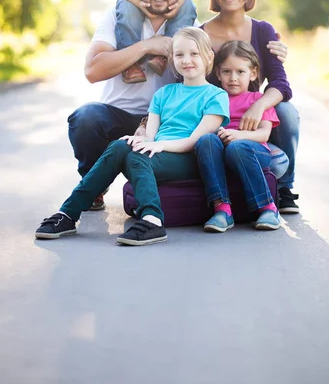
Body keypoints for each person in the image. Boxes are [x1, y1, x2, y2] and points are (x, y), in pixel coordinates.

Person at [36, 28, 230, 246]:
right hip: (158, 152)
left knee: (137, 157)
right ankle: (68, 214)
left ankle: (152, 220)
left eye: (194, 54)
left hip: (188, 157)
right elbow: (150, 135)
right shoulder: (164, 94)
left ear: (209, 57)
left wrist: (158, 145)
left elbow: (195, 141)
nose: (187, 60)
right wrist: (139, 140)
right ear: (171, 58)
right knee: (121, 146)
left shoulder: (216, 96)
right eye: (179, 55)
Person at [68, 0, 188, 211]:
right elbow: (92, 70)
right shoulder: (118, 15)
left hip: (164, 122)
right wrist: (147, 46)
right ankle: (95, 185)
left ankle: (159, 187)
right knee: (86, 118)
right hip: (117, 115)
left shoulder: (189, 24)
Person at [201, 0, 300, 214]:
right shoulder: (201, 34)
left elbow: (280, 83)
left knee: (287, 111)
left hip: (254, 120)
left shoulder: (263, 30)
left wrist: (259, 106)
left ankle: (285, 188)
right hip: (219, 119)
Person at [196, 40, 288, 232]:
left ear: (253, 73)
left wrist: (238, 135)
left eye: (240, 72)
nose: (233, 78)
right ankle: (222, 210)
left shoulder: (258, 100)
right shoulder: (212, 98)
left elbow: (264, 133)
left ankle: (267, 208)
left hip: (253, 152)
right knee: (206, 140)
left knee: (237, 147)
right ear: (218, 73)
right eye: (227, 71)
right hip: (220, 152)